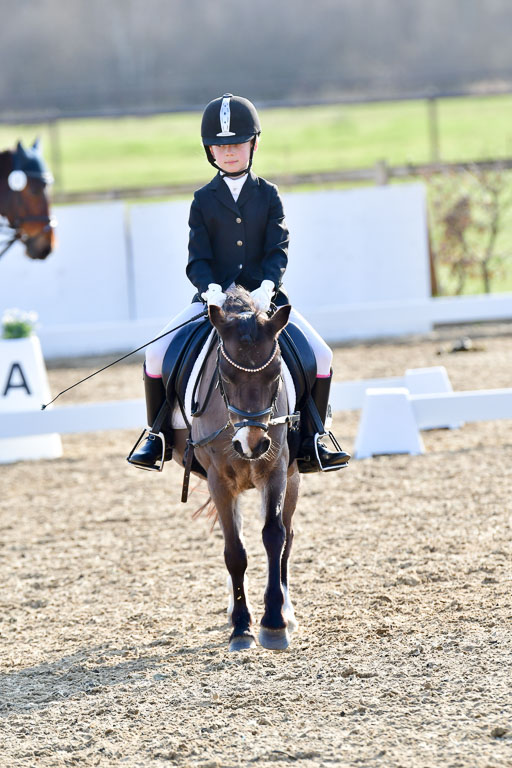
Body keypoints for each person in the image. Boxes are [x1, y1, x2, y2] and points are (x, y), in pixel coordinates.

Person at [128, 93, 350, 472]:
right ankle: (157, 436)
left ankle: (315, 437)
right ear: (209, 151)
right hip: (213, 302)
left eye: (236, 144)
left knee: (323, 356)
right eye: (220, 146)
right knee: (154, 356)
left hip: (265, 302)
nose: (229, 152)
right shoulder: (203, 200)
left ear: (253, 144)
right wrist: (209, 289)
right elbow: (198, 258)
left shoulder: (268, 195)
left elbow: (278, 248)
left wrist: (267, 287)